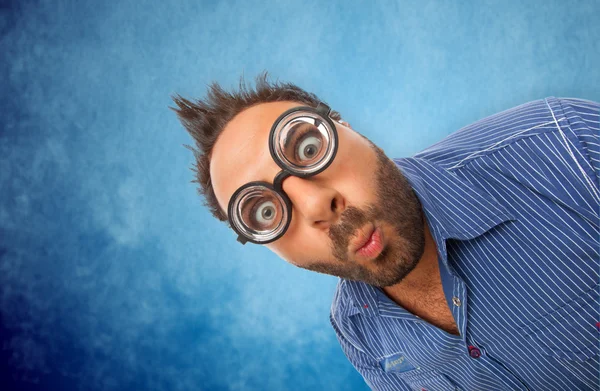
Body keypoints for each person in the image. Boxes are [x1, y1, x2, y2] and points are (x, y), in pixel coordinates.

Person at [171, 73, 599, 391]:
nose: (317, 205)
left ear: (344, 125)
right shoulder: (359, 331)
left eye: (306, 148)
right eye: (264, 212)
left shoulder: (564, 145)